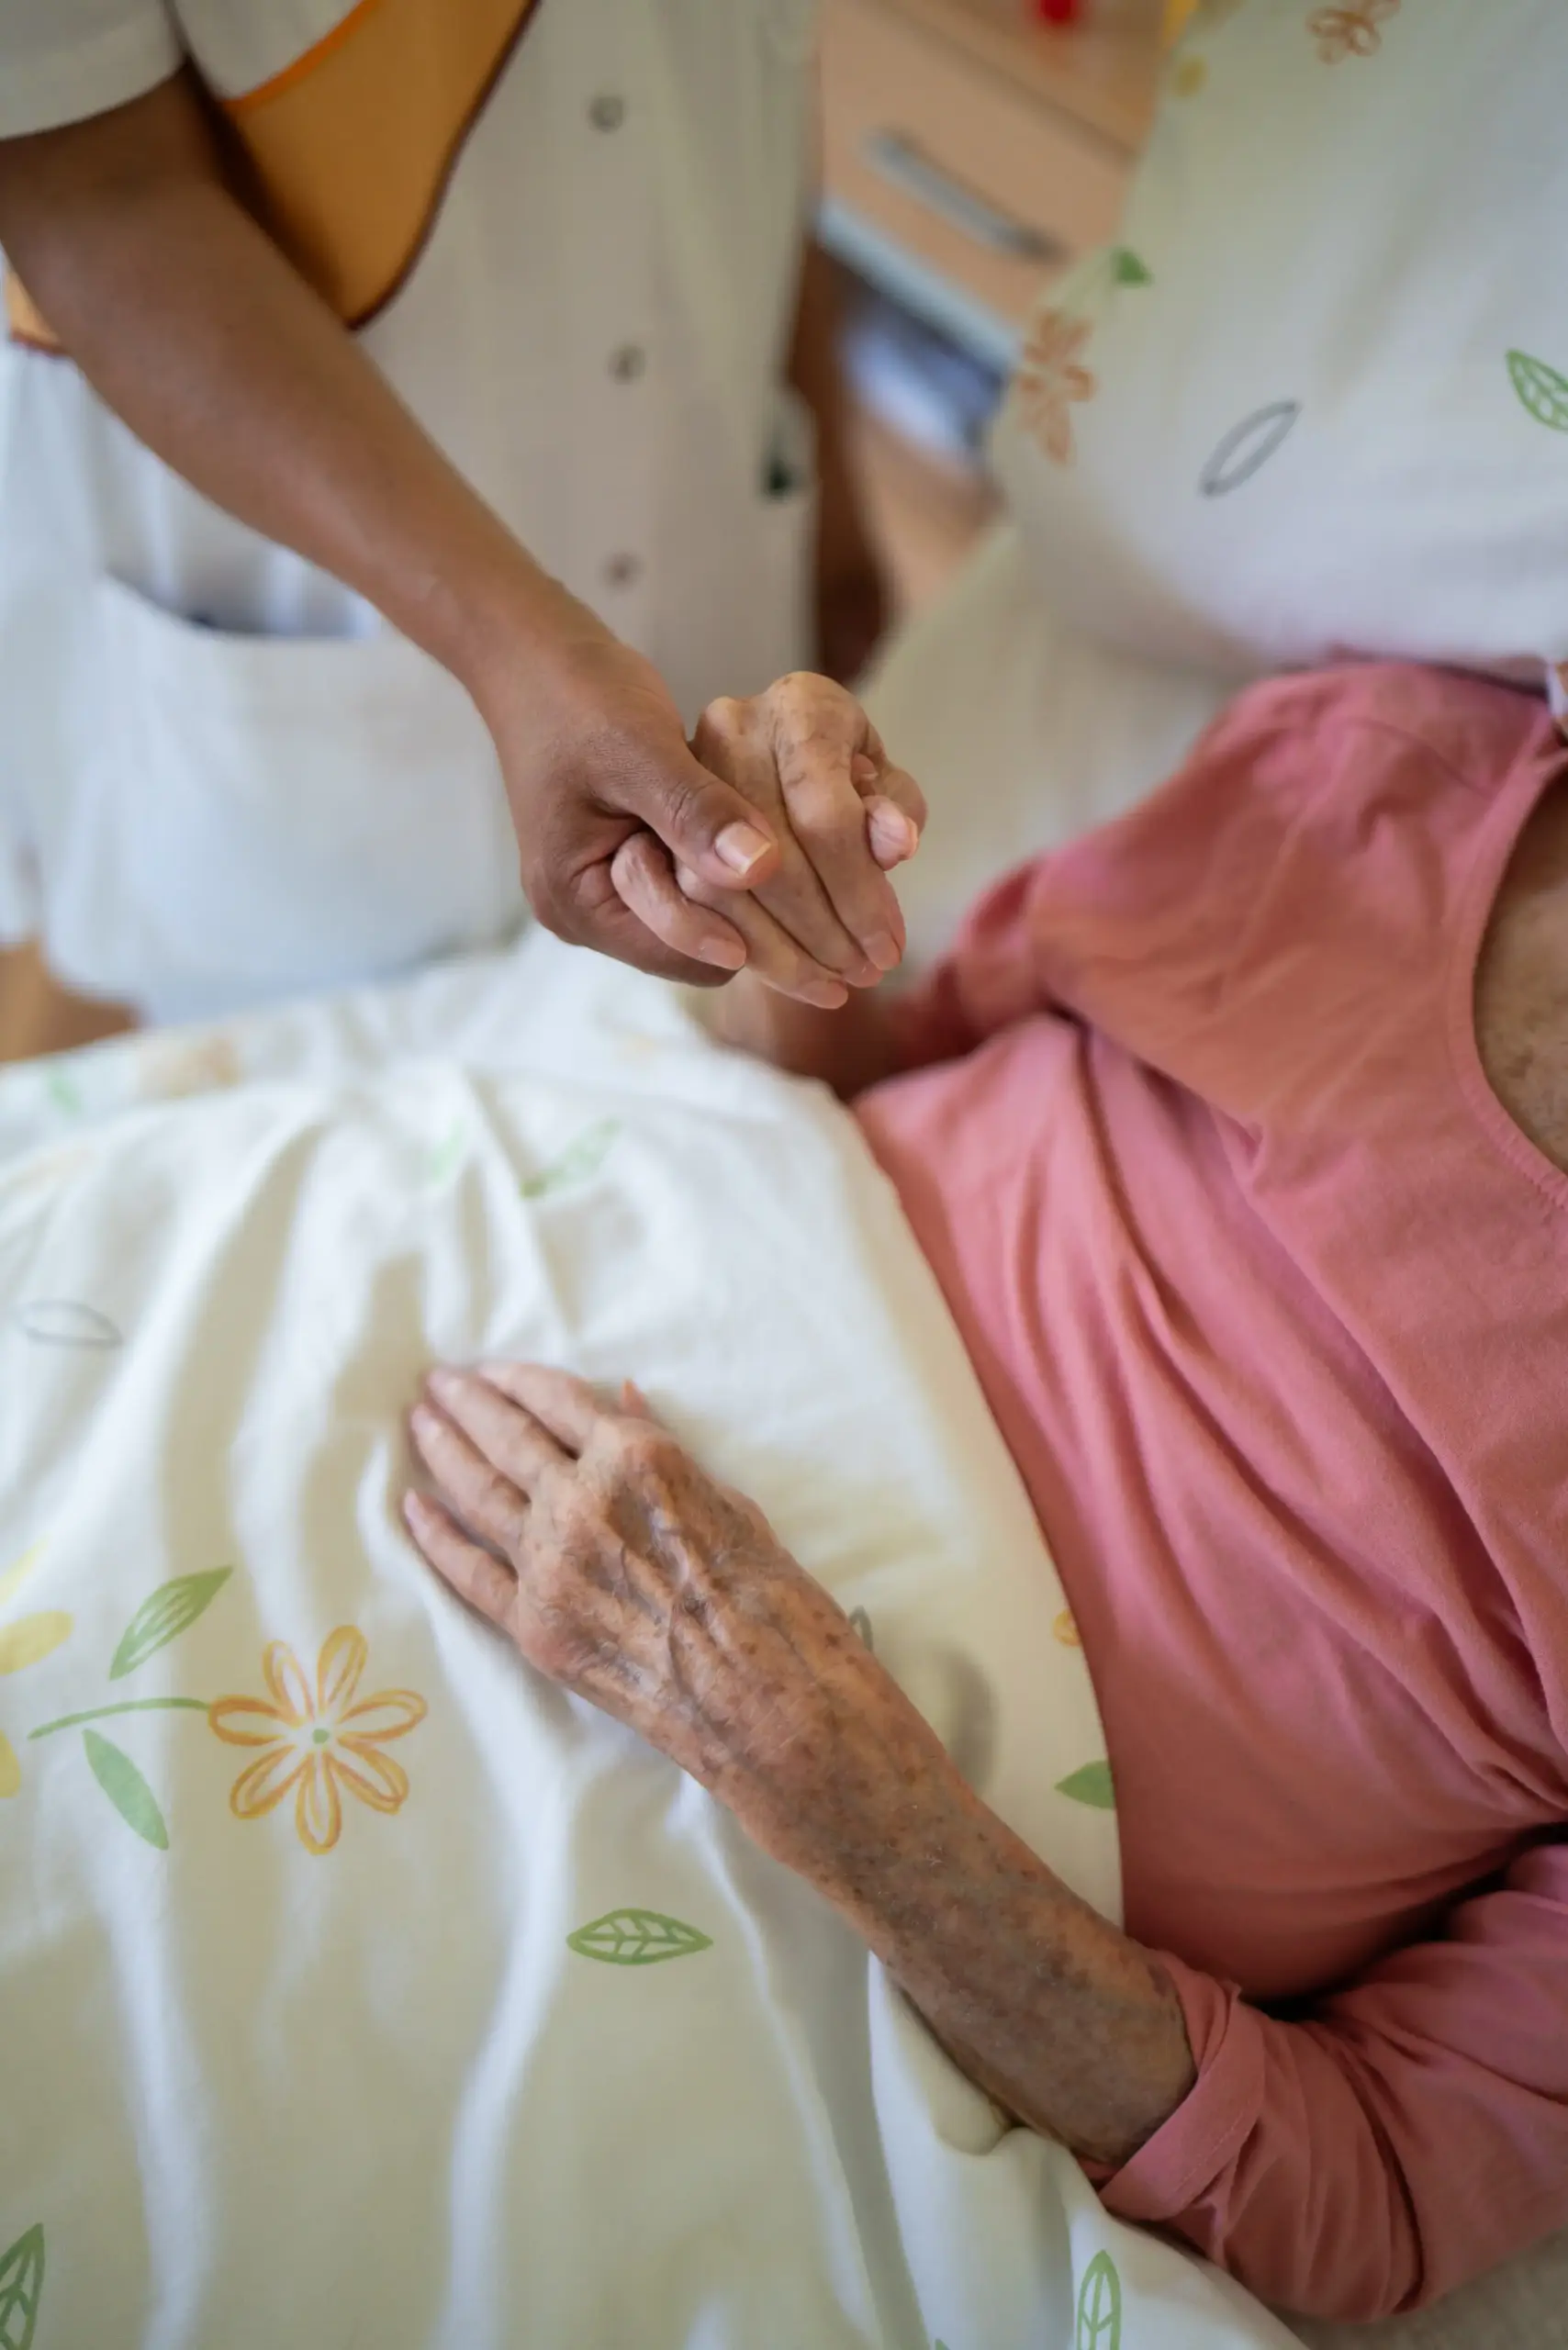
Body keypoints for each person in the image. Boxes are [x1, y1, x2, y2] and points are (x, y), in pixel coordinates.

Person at [402, 658, 1568, 2323]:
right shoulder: (1393, 764)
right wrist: (767, 898)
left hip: (795, 1857)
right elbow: (879, 1055)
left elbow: (1364, 2187)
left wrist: (812, 1763)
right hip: (590, 1277)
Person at [0, 0, 920, 1037]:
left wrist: (831, 503)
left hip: (698, 460)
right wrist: (522, 657)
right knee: (307, 1081)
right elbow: (97, 192)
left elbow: (757, 76)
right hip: (294, 551)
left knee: (692, 1021)